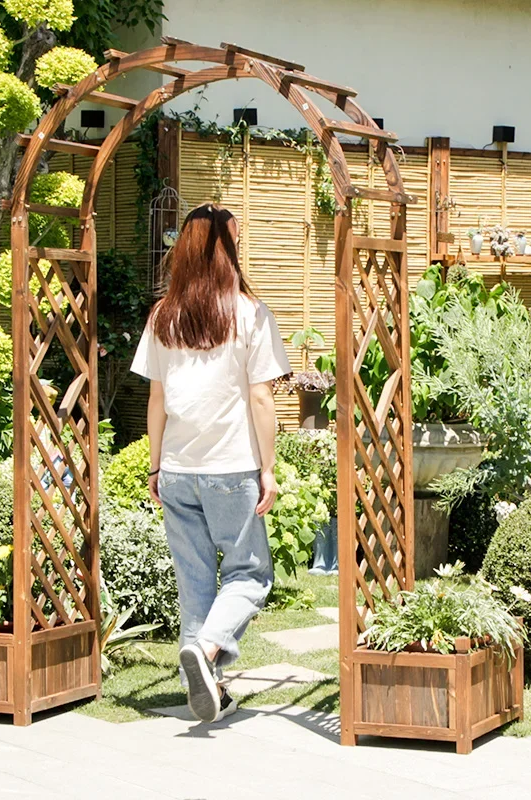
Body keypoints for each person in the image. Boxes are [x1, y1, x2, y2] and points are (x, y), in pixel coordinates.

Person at [130, 202, 291, 724]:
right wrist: (269, 468)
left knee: (195, 580)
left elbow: (156, 400)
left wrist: (154, 466)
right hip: (231, 467)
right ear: (230, 249)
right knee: (250, 574)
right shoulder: (249, 313)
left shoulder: (163, 314)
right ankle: (207, 649)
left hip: (177, 468)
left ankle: (206, 690)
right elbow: (262, 398)